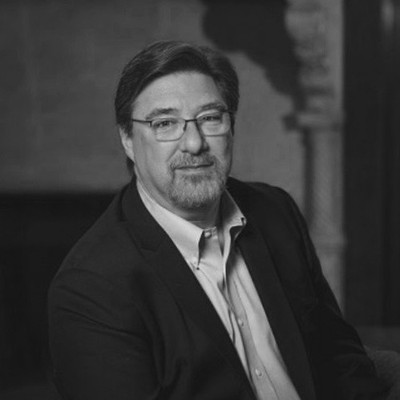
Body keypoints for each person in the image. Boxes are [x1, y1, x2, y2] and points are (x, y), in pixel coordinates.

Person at [48, 40, 388, 400]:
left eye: (210, 118)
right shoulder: (90, 287)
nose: (194, 143)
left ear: (231, 126)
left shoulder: (275, 211)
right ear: (128, 140)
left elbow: (338, 357)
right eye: (165, 123)